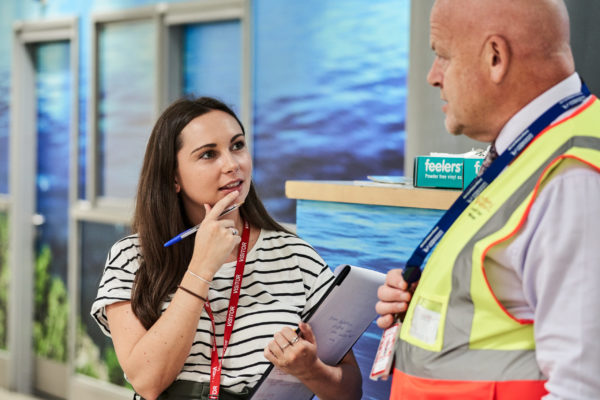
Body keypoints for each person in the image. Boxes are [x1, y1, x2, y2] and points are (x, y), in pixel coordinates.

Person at [375, 0, 600, 399]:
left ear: (495, 57)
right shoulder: (529, 152)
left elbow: (582, 385)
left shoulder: (572, 175)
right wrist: (427, 299)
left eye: (442, 55)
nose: (432, 76)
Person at [91, 96, 362, 400]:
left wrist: (311, 368)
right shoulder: (132, 257)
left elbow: (350, 391)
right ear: (173, 176)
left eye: (237, 146)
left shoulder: (297, 258)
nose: (232, 165)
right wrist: (201, 267)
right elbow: (147, 382)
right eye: (208, 154)